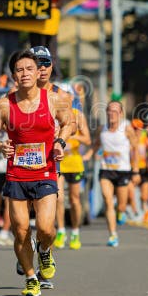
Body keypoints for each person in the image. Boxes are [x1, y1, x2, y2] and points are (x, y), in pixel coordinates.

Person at [0, 50, 73, 296]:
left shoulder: (54, 100)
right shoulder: (5, 104)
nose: (24, 74)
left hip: (45, 171)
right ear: (13, 75)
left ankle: (44, 251)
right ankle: (30, 277)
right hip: (16, 175)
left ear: (38, 73)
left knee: (46, 228)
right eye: (19, 70)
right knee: (21, 229)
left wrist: (60, 143)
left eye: (29, 69)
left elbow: (69, 123)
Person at [86, 101, 141, 247]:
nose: (112, 114)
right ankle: (112, 235)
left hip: (123, 171)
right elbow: (97, 143)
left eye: (115, 111)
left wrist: (136, 170)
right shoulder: (102, 129)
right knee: (108, 200)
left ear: (121, 114)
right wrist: (88, 154)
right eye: (110, 111)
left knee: (121, 205)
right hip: (106, 170)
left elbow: (135, 149)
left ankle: (121, 211)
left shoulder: (126, 129)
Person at [56, 102, 91, 250]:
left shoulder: (78, 115)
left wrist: (72, 135)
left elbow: (88, 140)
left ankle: (75, 231)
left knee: (74, 199)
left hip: (75, 164)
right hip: (58, 162)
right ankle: (61, 231)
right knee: (59, 197)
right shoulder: (55, 113)